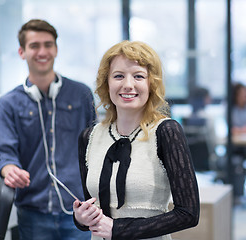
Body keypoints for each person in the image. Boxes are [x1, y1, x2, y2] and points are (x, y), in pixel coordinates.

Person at [73, 40, 200, 240]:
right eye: (118, 76)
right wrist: (81, 218)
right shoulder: (89, 137)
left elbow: (188, 213)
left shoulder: (166, 132)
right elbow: (92, 205)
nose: (128, 85)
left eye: (139, 76)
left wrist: (119, 229)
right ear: (107, 83)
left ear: (152, 84)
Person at [0, 19, 95, 239]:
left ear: (56, 49)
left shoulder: (81, 95)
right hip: (33, 212)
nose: (42, 51)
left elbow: (97, 147)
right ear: (22, 52)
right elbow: (4, 153)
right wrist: (9, 169)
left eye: (48, 44)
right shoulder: (8, 103)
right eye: (34, 45)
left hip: (79, 211)